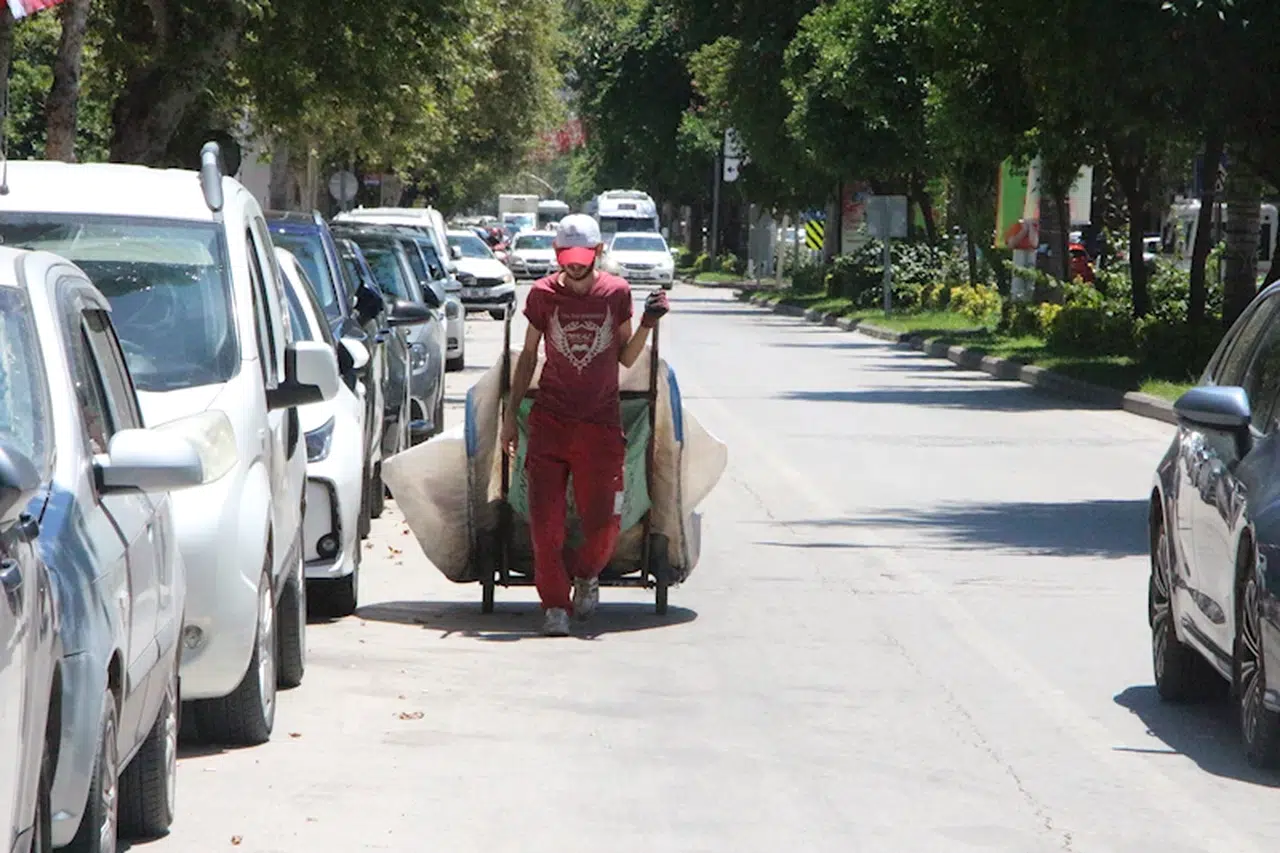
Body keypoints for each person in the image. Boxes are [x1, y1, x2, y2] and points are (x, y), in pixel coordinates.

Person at [502, 214, 669, 636]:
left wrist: (648, 323)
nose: (575, 266)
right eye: (567, 257)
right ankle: (555, 606)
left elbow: (626, 358)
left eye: (582, 257)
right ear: (557, 254)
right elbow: (528, 355)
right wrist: (509, 416)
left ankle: (585, 573)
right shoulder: (543, 294)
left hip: (600, 425)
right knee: (546, 527)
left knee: (605, 523)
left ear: (597, 252)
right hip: (550, 423)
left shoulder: (615, 293)